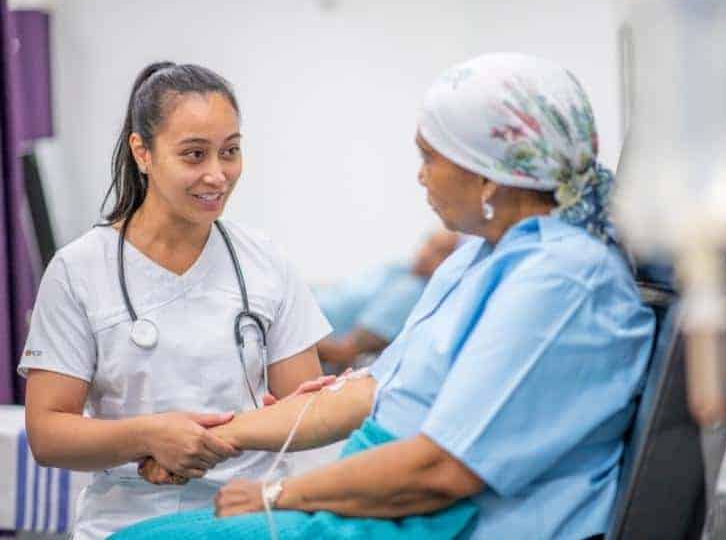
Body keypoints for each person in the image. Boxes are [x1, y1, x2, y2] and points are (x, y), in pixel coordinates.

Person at [116, 53, 655, 540]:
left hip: (445, 520)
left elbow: (441, 470)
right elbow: (371, 392)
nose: (420, 176)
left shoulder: (560, 281)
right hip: (382, 500)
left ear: (488, 175)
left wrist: (280, 494)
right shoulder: (481, 256)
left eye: (430, 157)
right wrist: (211, 439)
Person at [18, 63, 333, 539]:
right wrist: (147, 437)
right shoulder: (79, 270)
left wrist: (213, 440)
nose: (217, 175)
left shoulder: (264, 262)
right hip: (126, 522)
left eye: (230, 152)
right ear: (142, 152)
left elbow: (307, 412)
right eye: (193, 155)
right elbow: (47, 434)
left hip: (246, 518)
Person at [315, 229, 459, 371]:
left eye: (441, 252)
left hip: (309, 338)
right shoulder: (398, 269)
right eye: (429, 244)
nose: (426, 254)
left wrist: (298, 331)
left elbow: (342, 353)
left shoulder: (411, 294)